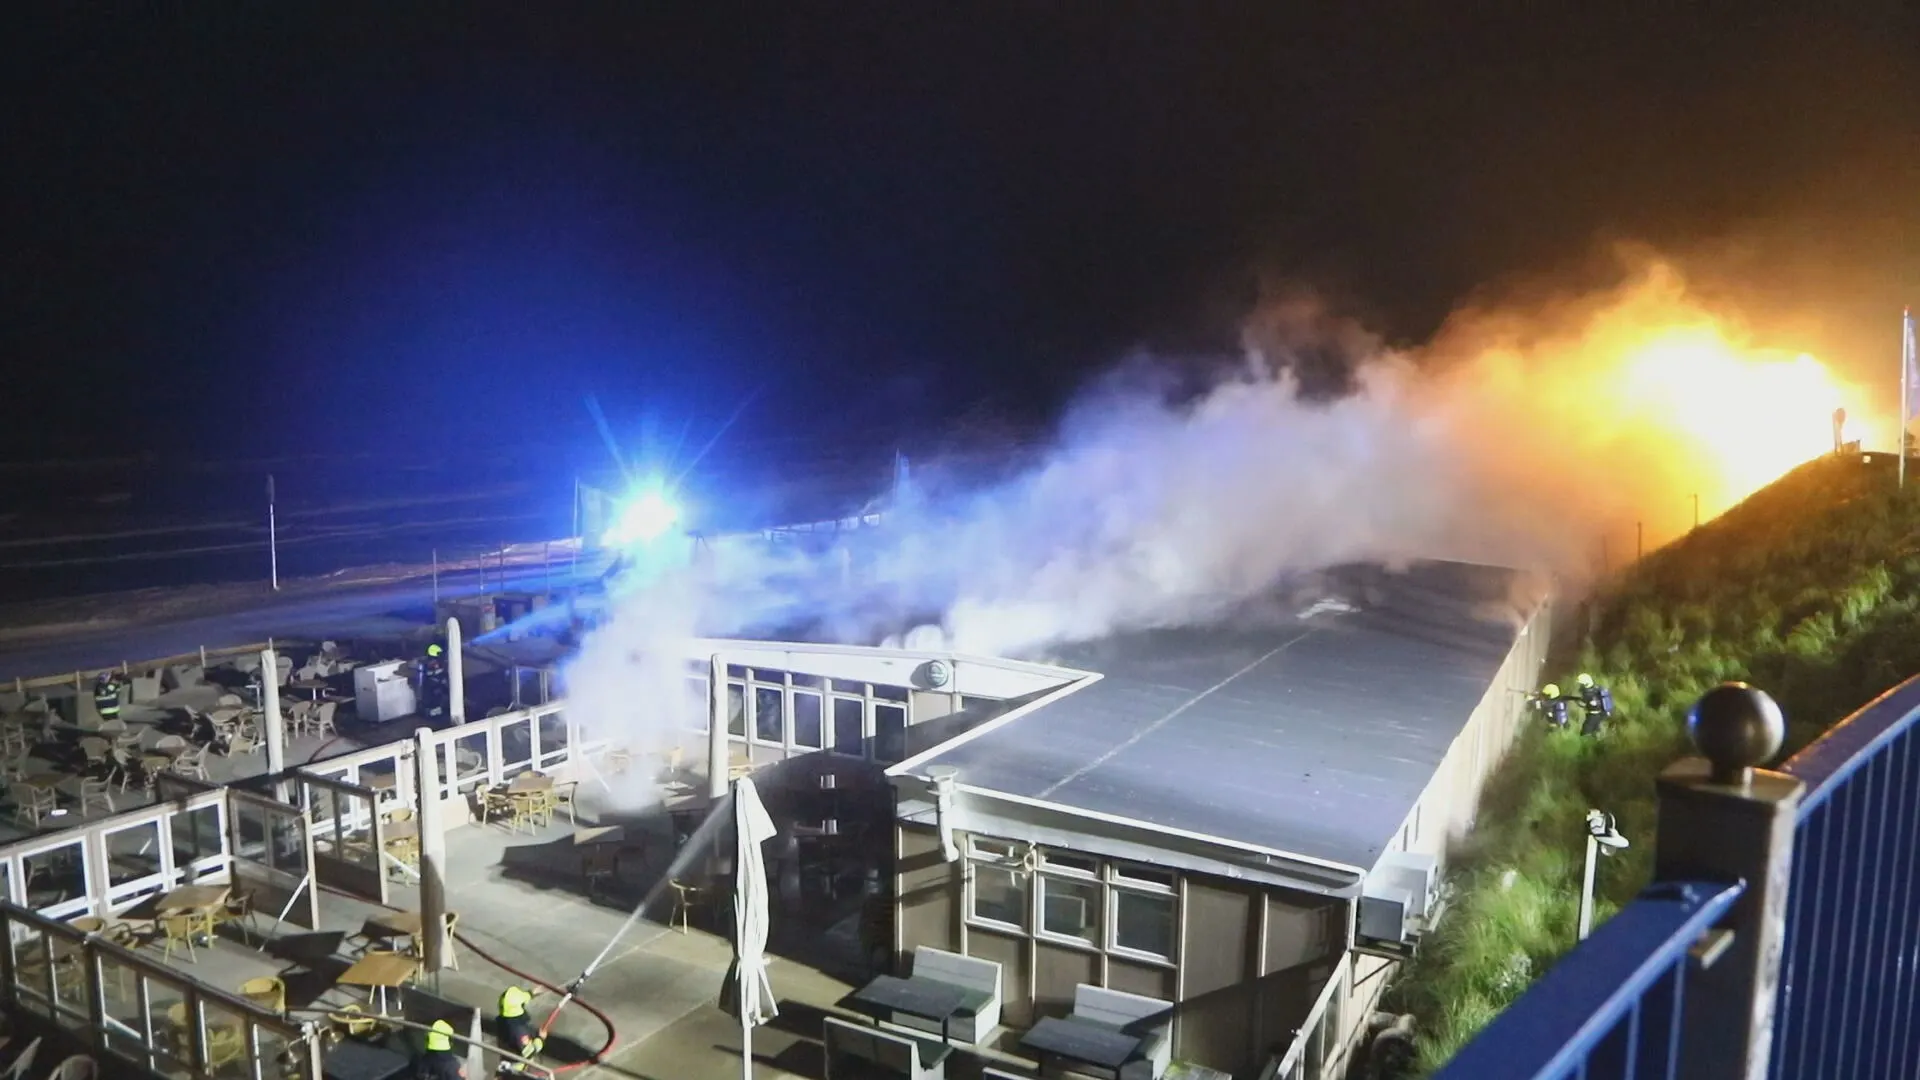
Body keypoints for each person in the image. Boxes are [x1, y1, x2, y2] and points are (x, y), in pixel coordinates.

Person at [495, 985, 544, 1071]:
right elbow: (529, 1053)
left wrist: (531, 994)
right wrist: (540, 1039)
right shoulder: (519, 1031)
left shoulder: (502, 1021)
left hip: (505, 1063)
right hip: (518, 1070)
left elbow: (517, 1002)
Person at [1575, 673, 1615, 737]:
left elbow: (1583, 704)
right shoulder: (1597, 688)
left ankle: (1587, 744)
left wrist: (1577, 702)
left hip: (1592, 715)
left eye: (1581, 684)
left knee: (1585, 732)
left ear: (1586, 684)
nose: (1580, 686)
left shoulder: (1587, 693)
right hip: (1601, 714)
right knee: (1596, 731)